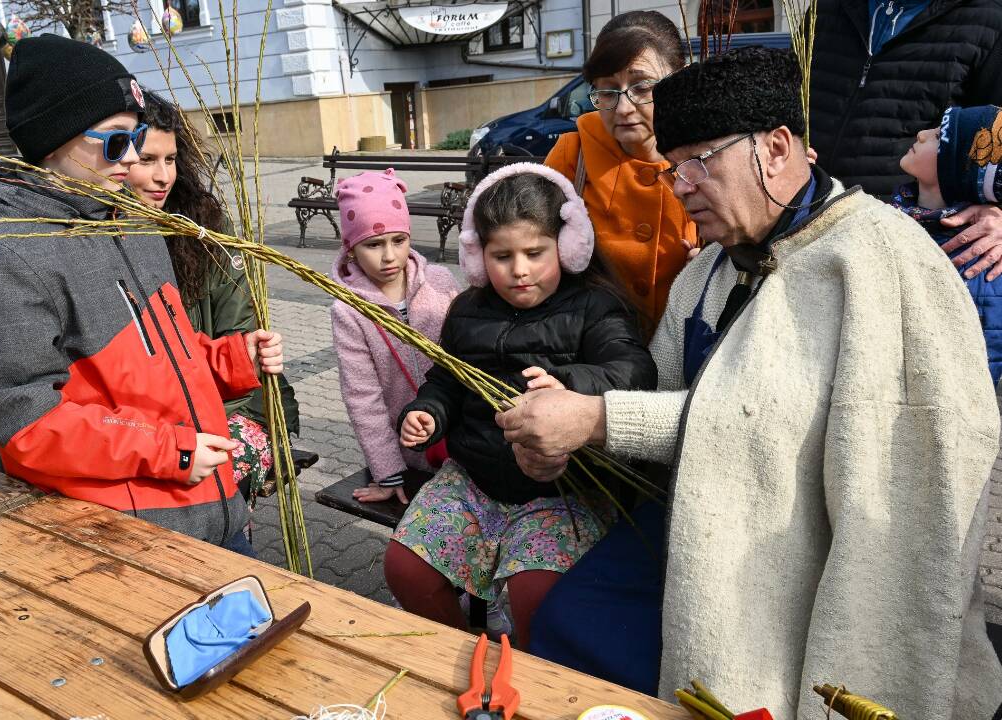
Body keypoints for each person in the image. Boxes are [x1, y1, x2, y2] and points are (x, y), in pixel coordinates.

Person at [499, 47, 1002, 717]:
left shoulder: (884, 261)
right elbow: (666, 410)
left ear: (776, 147)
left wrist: (596, 419)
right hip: (695, 527)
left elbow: (801, 434)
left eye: (698, 163)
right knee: (569, 622)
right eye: (674, 168)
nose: (680, 187)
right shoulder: (705, 274)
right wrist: (567, 440)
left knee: (727, 685)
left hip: (810, 554)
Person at [0, 34, 284, 558]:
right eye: (113, 142)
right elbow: (26, 422)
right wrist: (166, 451)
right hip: (131, 534)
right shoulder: (11, 258)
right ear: (53, 139)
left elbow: (163, 354)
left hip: (212, 505)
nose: (130, 161)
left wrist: (230, 360)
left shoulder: (130, 225)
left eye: (134, 140)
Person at [385, 163, 656, 650]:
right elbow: (448, 378)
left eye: (535, 253)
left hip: (564, 491)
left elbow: (635, 371)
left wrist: (571, 384)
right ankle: (466, 653)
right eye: (501, 255)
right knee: (405, 567)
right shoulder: (466, 309)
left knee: (538, 595)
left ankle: (532, 674)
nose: (519, 270)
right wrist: (428, 411)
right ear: (477, 256)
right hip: (474, 478)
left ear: (568, 248)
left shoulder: (594, 306)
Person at [126, 90, 302, 508]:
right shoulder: (104, 240)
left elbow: (243, 355)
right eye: (147, 160)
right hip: (157, 424)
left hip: (234, 408)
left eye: (169, 160)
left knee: (198, 483)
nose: (162, 176)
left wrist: (183, 433)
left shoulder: (207, 238)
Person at [809, 0, 1002, 281]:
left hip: (906, 256)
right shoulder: (826, 9)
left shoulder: (989, 21)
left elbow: (997, 139)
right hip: (804, 232)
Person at [544, 10, 696, 328]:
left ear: (678, 80)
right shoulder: (573, 154)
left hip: (687, 352)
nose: (624, 108)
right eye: (609, 91)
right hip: (592, 355)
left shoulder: (709, 158)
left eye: (642, 87)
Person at [329, 168, 458, 504]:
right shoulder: (349, 311)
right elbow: (362, 398)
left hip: (461, 442)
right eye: (373, 244)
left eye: (398, 240)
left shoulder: (440, 282)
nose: (389, 256)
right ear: (351, 249)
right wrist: (388, 471)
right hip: (409, 451)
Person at [892, 104, 1002, 384]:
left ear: (960, 171)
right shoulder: (886, 219)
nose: (921, 134)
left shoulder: (983, 256)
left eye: (940, 137)